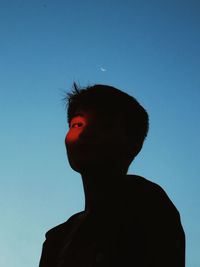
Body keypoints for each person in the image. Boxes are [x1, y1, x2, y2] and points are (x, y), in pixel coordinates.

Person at [39, 84, 185, 267]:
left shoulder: (145, 201)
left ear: (132, 144)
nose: (85, 133)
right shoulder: (56, 238)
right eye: (77, 124)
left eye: (104, 125)